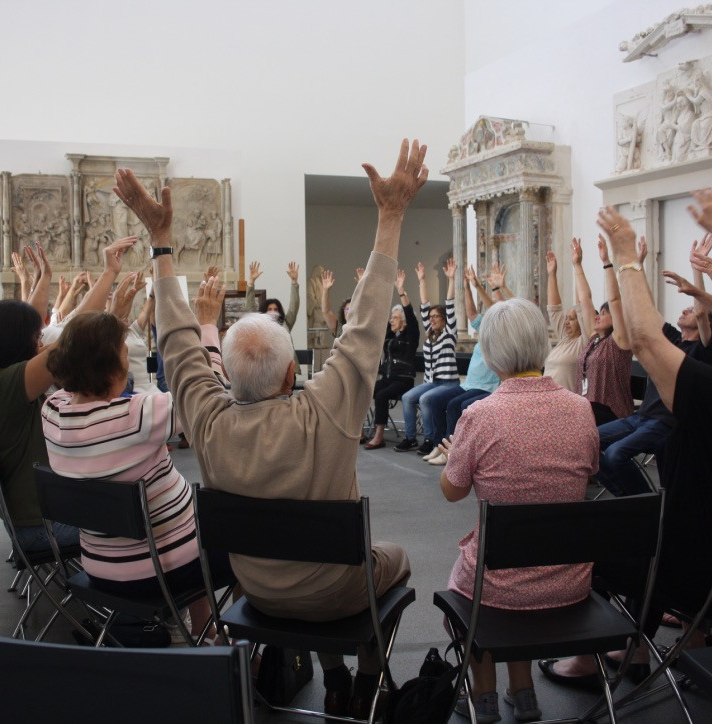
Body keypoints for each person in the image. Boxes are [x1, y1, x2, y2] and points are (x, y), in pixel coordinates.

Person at [118, 138, 426, 719]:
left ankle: (333, 678)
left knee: (341, 565)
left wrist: (161, 243)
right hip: (336, 591)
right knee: (397, 557)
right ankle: (361, 679)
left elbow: (179, 343)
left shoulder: (208, 422)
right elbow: (364, 324)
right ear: (293, 372)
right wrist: (391, 216)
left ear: (227, 377)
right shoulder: (326, 410)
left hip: (256, 587)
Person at [542, 194, 712, 687]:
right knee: (661, 534)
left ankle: (590, 659)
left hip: (700, 579)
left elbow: (648, 341)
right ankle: (662, 649)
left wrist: (626, 257)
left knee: (599, 539)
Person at [440, 298, 598, 722]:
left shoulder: (480, 416)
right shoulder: (581, 410)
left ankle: (484, 696)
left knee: (473, 581)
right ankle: (523, 691)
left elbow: (452, 492)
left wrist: (456, 454)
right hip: (569, 580)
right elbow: (588, 472)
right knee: (516, 560)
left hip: (497, 588)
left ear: (491, 353)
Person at [41, 310, 232, 638]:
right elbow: (210, 395)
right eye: (125, 353)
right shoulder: (138, 417)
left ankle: (203, 627)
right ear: (111, 366)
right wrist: (208, 327)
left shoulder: (53, 412)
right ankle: (249, 653)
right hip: (158, 571)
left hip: (99, 567)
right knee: (247, 538)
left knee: (192, 524)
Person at [0, 236, 134, 552]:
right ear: (16, 340)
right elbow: (73, 336)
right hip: (44, 526)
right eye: (35, 335)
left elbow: (64, 328)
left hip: (44, 513)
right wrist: (110, 289)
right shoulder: (6, 385)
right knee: (150, 523)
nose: (40, 339)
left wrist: (47, 278)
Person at [593, 238, 712, 497]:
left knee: (617, 454)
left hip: (666, 424)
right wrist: (638, 268)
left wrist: (696, 269)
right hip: (641, 419)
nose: (686, 312)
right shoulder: (673, 340)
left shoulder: (705, 349)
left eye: (692, 311)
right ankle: (630, 498)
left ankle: (645, 502)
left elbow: (700, 311)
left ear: (704, 321)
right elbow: (647, 310)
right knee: (587, 442)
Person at [420, 264, 502, 466]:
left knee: (456, 405)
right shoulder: (484, 325)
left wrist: (482, 287)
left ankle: (453, 451)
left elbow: (497, 308)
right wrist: (467, 286)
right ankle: (440, 446)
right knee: (435, 401)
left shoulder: (502, 330)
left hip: (487, 387)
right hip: (469, 384)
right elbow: (472, 312)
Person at [395, 258, 459, 455]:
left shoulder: (450, 333)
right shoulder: (430, 335)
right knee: (407, 398)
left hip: (448, 384)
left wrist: (451, 279)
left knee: (425, 399)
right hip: (431, 382)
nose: (431, 320)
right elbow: (424, 304)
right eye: (430, 317)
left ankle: (430, 440)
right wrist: (421, 279)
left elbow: (450, 304)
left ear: (444, 319)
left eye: (435, 317)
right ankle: (411, 438)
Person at [571, 236, 634, 425]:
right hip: (587, 410)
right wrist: (577, 265)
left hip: (612, 414)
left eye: (604, 313)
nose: (597, 316)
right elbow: (585, 300)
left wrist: (607, 263)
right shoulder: (594, 340)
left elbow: (615, 300)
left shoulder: (620, 342)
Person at [362, 269, 418, 450]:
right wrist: (368, 287)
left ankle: (379, 436)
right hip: (387, 379)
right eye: (392, 318)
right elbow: (378, 314)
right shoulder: (389, 334)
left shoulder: (411, 335)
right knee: (365, 390)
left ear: (404, 321)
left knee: (381, 395)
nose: (392, 321)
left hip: (403, 380)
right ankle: (360, 430)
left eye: (395, 318)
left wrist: (401, 292)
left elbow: (410, 315)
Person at [542, 250, 586, 391]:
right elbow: (554, 310)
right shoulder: (564, 338)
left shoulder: (584, 342)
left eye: (572, 319)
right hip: (546, 398)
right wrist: (552, 274)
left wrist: (577, 266)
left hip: (564, 405)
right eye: (566, 318)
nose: (566, 322)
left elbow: (582, 306)